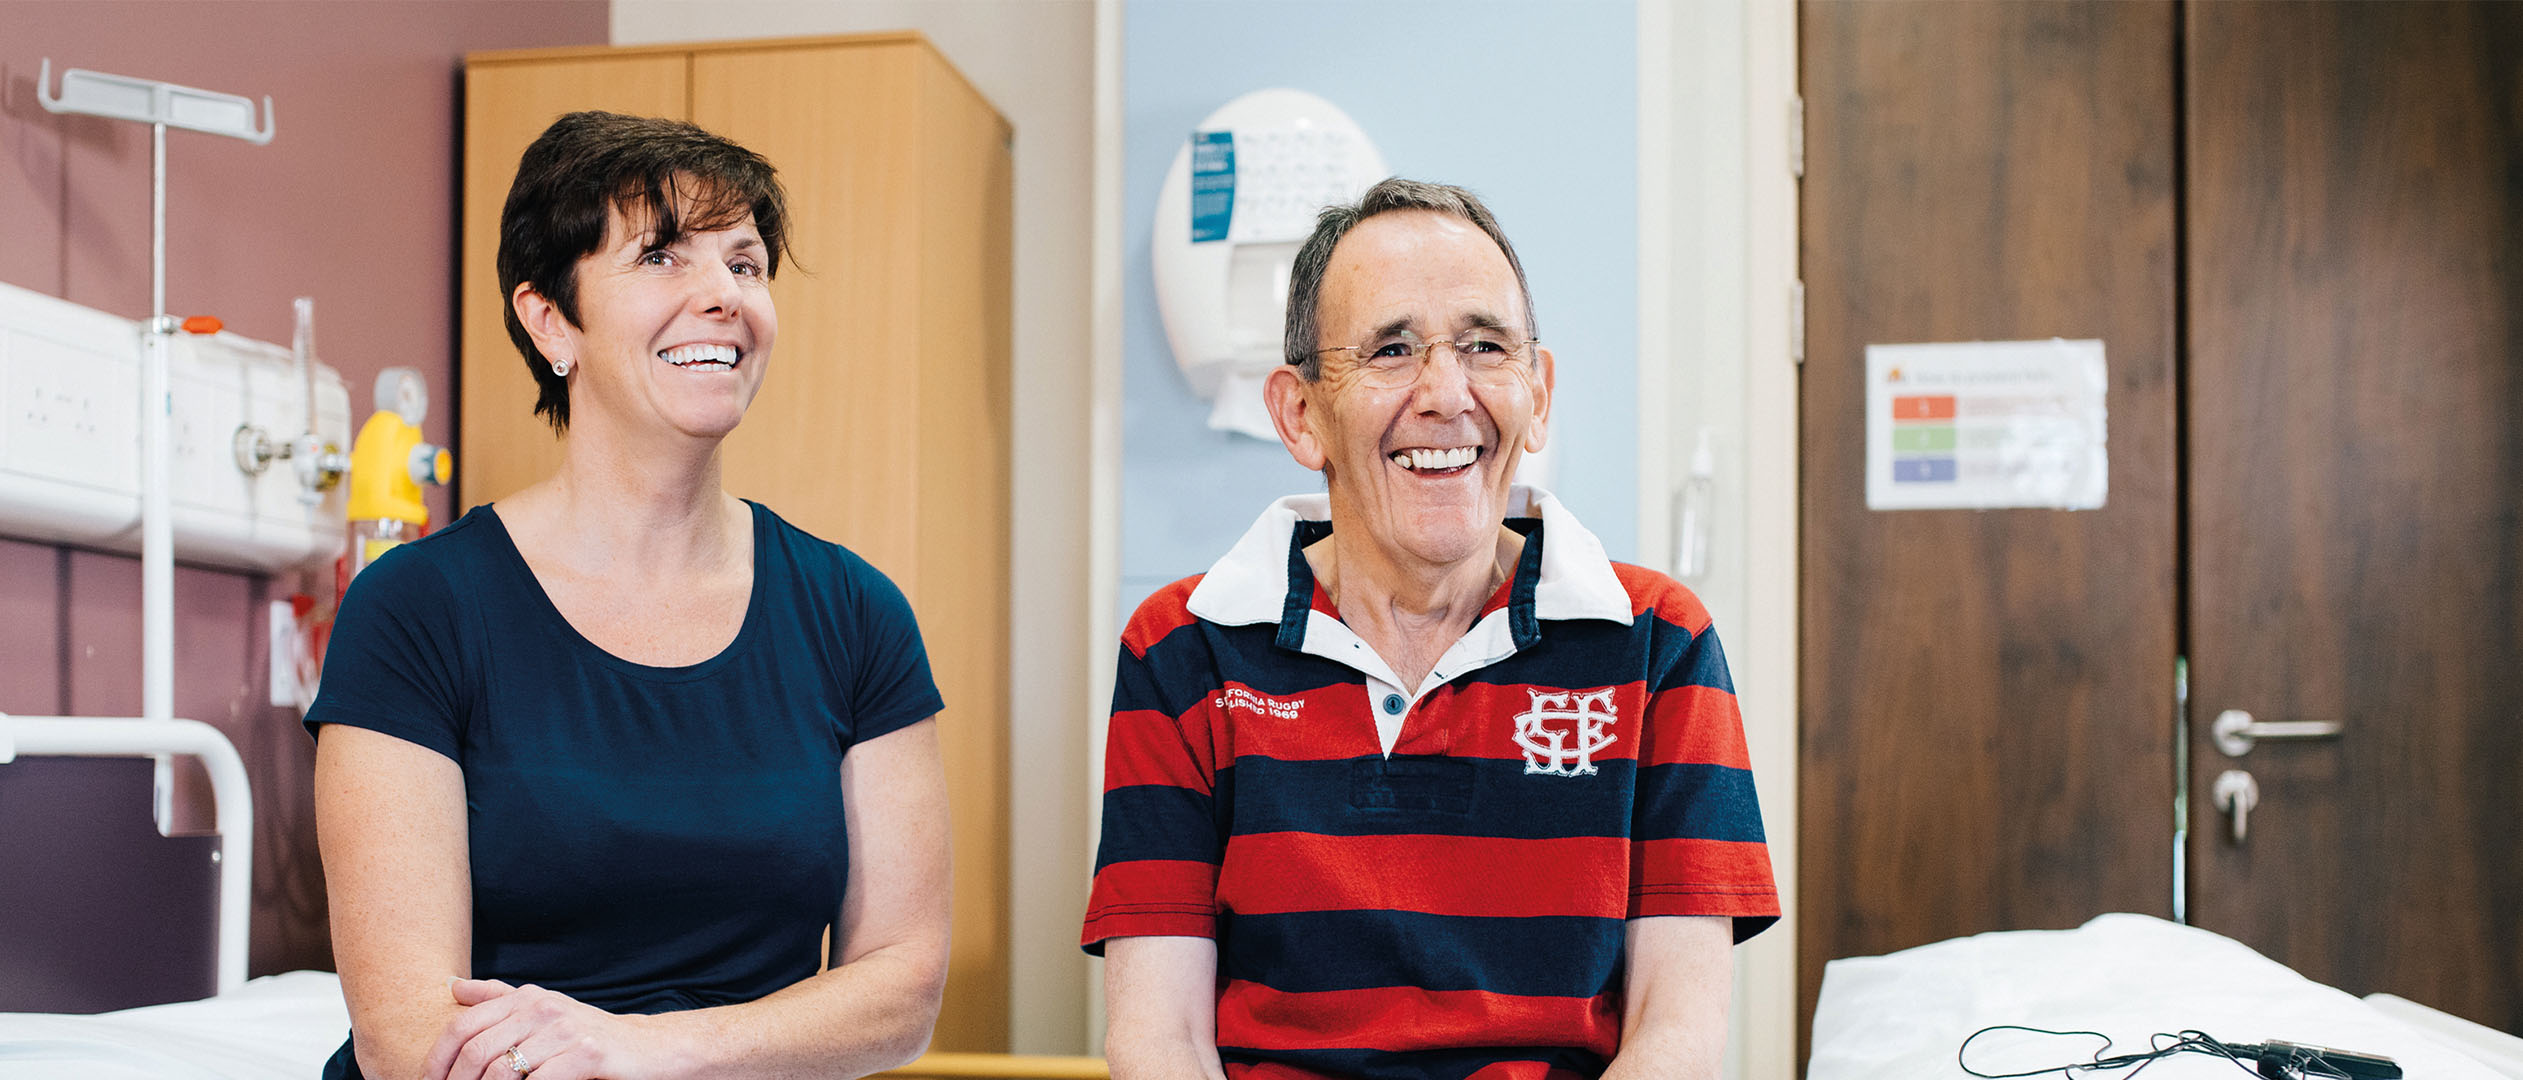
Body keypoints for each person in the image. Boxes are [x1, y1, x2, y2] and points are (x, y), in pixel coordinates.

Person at [1084, 178, 1779, 1080]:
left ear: (1536, 390)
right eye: (1390, 349)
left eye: (1485, 346)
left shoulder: (1658, 644)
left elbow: (1674, 1037)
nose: (1445, 393)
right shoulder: (1182, 646)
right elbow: (1159, 1040)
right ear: (1302, 415)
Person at [310, 111, 949, 1080]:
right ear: (549, 319)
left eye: (745, 264)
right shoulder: (415, 614)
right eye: (662, 258)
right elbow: (408, 1034)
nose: (723, 296)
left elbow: (902, 988)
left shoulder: (856, 617)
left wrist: (647, 1048)